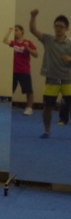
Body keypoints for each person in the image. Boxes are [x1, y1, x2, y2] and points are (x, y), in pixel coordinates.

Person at [29, 10, 71, 138]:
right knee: (47, 107)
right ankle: (46, 130)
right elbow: (33, 30)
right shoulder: (48, 39)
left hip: (68, 80)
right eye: (56, 26)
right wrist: (33, 16)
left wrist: (70, 59)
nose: (58, 28)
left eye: (61, 26)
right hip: (52, 80)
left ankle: (63, 120)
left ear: (67, 28)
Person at [3, 25, 38, 115]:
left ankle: (29, 108)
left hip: (24, 70)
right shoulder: (13, 43)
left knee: (28, 90)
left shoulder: (28, 42)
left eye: (17, 30)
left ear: (22, 31)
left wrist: (27, 48)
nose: (15, 32)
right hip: (14, 71)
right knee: (11, 89)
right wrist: (9, 31)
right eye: (14, 30)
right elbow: (5, 41)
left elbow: (36, 54)